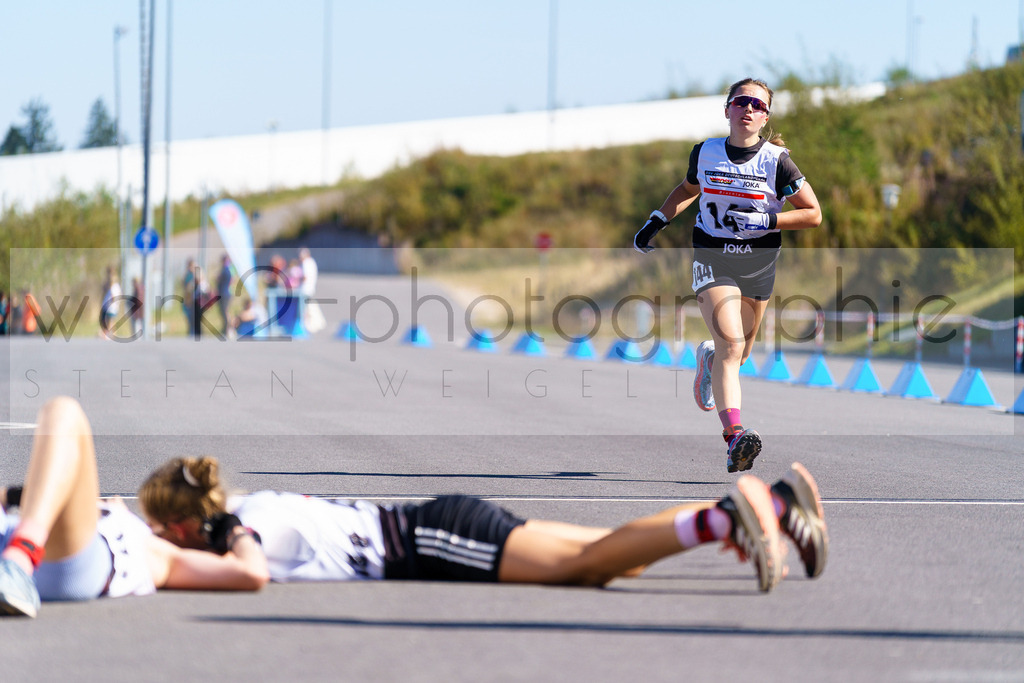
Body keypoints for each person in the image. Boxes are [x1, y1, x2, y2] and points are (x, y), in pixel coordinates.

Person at [139, 456, 827, 593]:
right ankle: (774, 504)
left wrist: (177, 573)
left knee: (581, 570)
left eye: (157, 530)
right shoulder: (251, 502)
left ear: (179, 524)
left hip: (431, 538)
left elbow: (250, 572)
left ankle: (721, 518)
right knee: (620, 558)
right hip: (440, 521)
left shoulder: (239, 526)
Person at [634, 77, 822, 473]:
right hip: (712, 255)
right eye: (741, 102)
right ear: (727, 109)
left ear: (766, 115)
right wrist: (657, 219)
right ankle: (734, 434)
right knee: (732, 345)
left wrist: (768, 217)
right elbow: (688, 189)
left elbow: (813, 214)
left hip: (758, 263)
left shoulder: (777, 161)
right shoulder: (705, 152)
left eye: (758, 104)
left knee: (740, 355)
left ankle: (707, 360)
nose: (748, 109)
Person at [0, 397, 269, 618]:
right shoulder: (142, 535)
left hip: (68, 562)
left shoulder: (163, 556)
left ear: (177, 530)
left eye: (153, 523)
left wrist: (235, 530)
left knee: (64, 411)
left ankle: (20, 560)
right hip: (21, 538)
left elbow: (252, 573)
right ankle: (18, 559)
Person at [298, 247, 325, 334]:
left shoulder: (306, 262)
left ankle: (306, 325)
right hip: (310, 288)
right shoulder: (312, 262)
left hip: (305, 289)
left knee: (304, 308)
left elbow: (305, 277)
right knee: (308, 307)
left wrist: (297, 280)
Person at [99, 267, 122, 339]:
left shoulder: (115, 286)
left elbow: (115, 296)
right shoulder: (109, 285)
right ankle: (108, 334)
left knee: (109, 321)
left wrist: (115, 303)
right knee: (107, 320)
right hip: (107, 306)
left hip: (111, 307)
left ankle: (109, 334)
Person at [215, 254, 233, 337]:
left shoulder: (225, 270)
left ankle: (227, 329)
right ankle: (226, 328)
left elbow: (219, 280)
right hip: (225, 293)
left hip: (224, 293)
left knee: (225, 311)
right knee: (224, 311)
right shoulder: (228, 269)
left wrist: (218, 278)